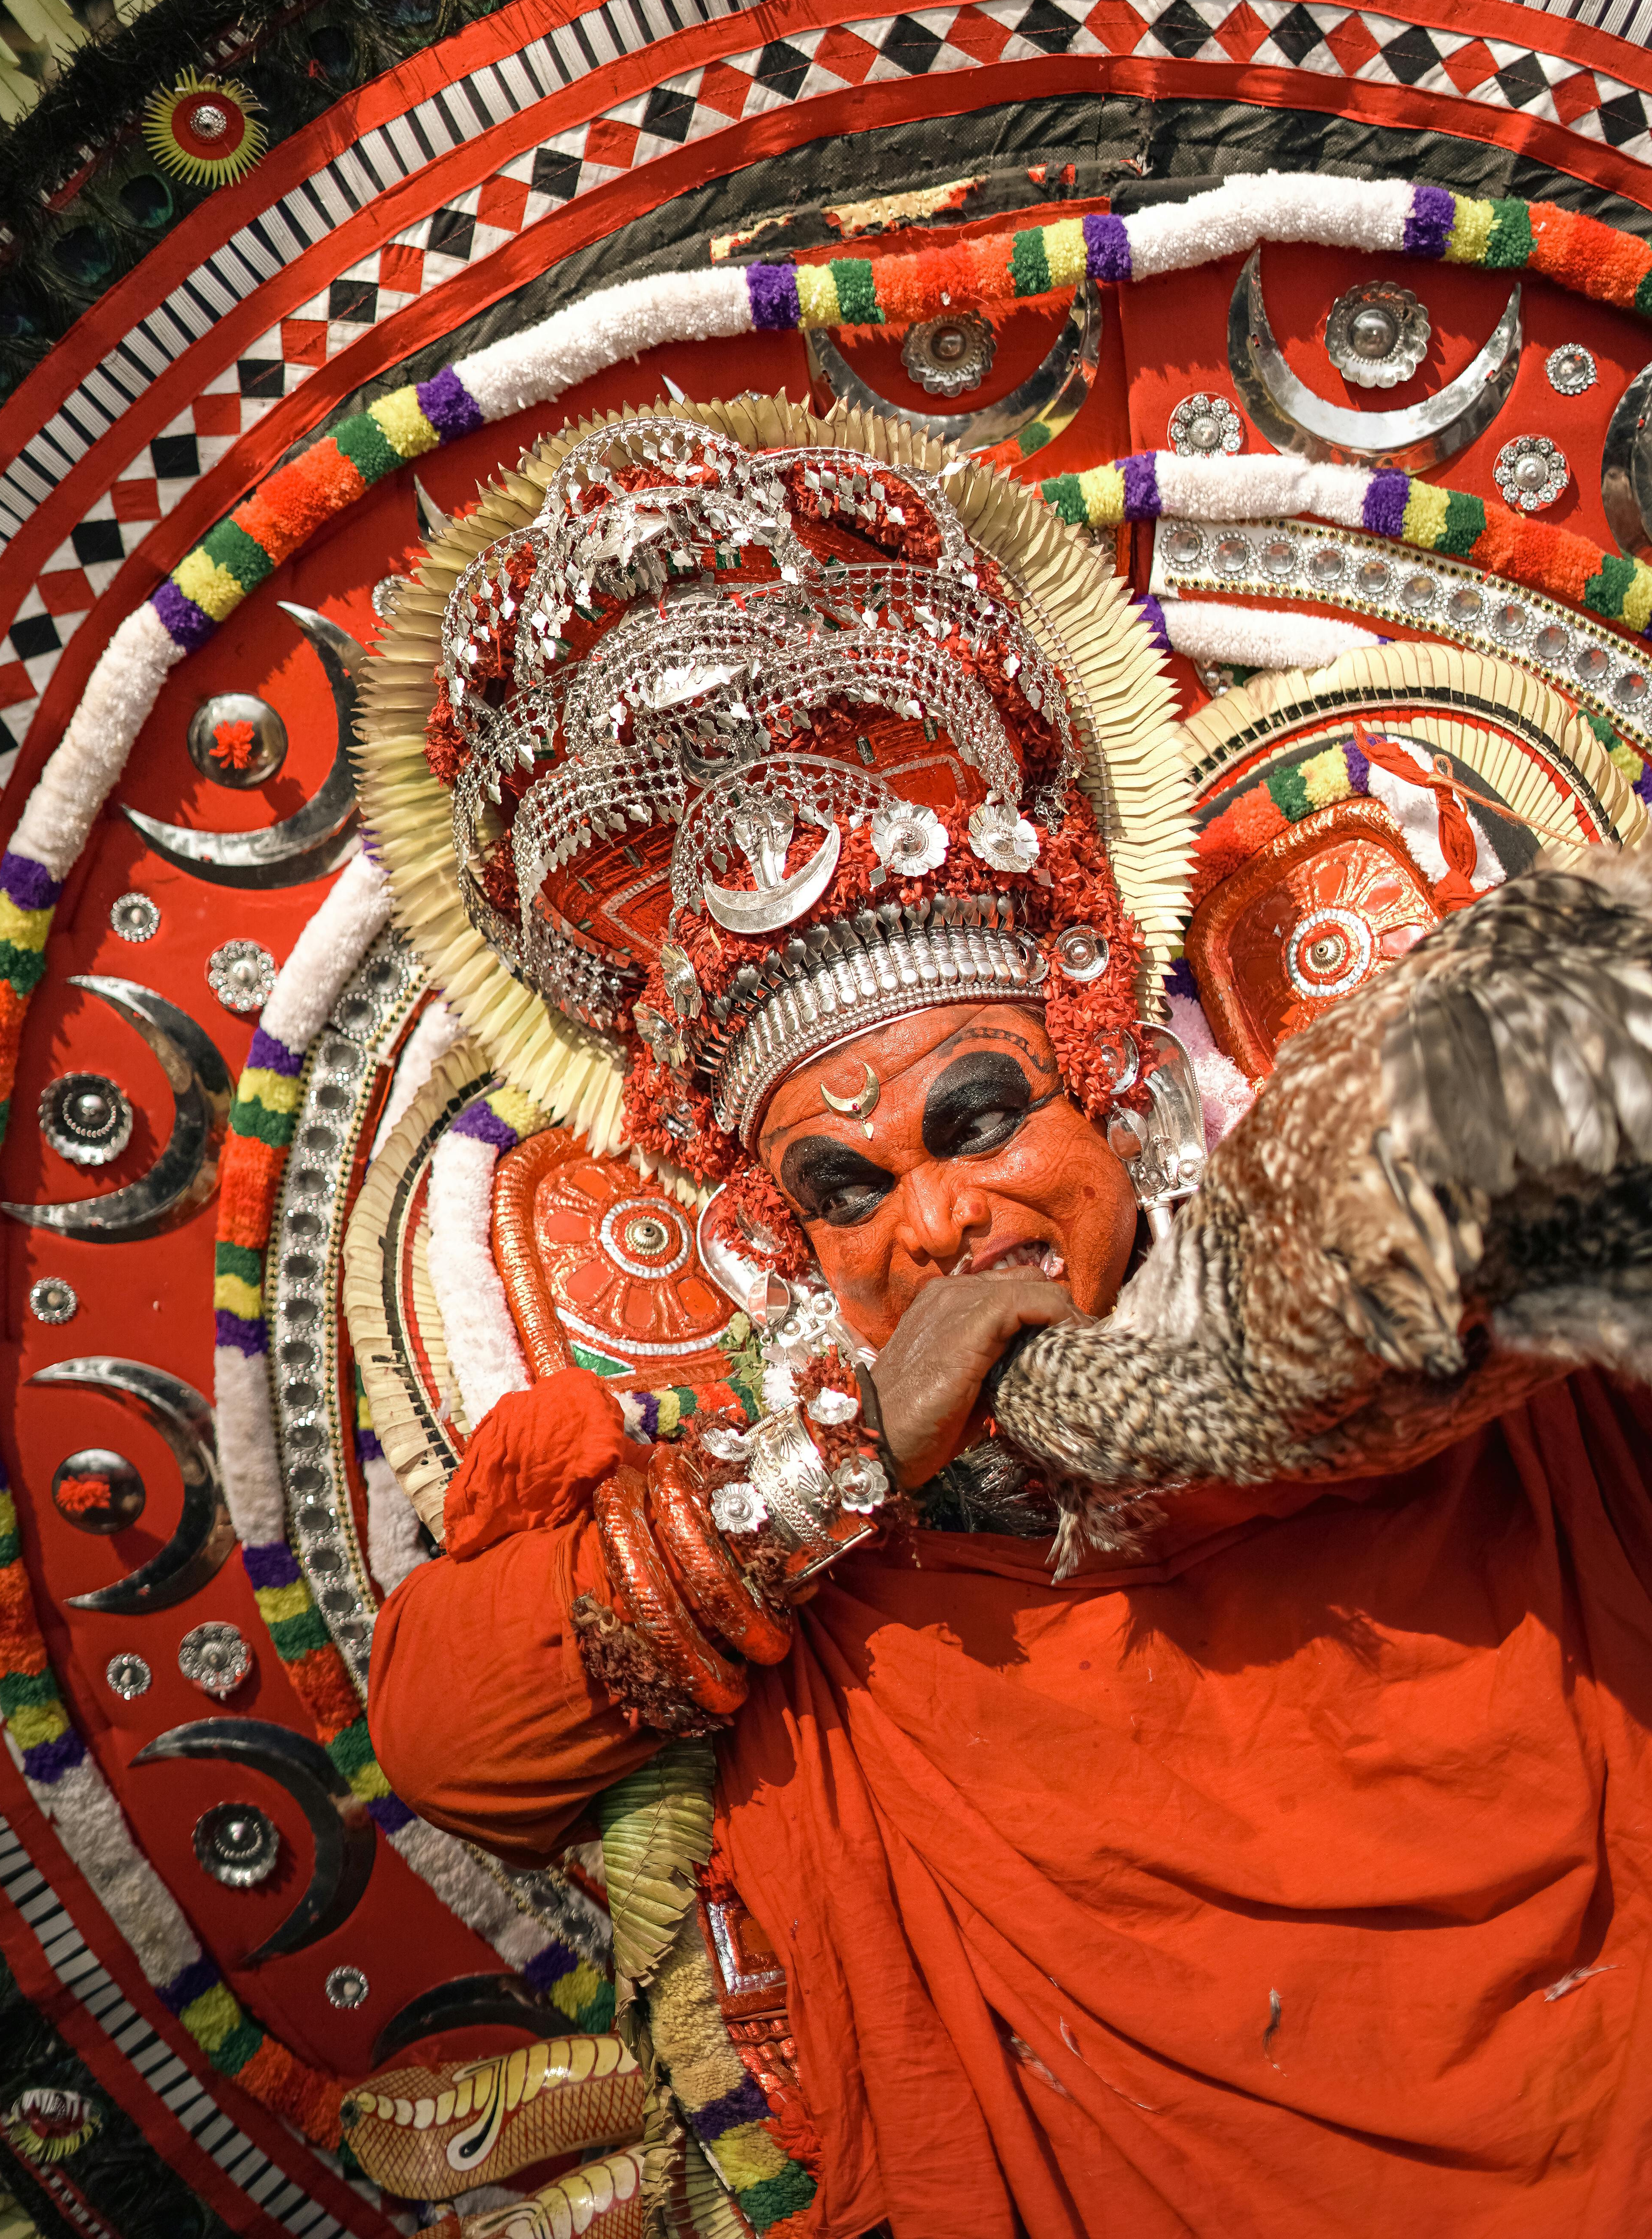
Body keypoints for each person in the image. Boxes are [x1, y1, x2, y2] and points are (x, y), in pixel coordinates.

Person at [363, 402, 1652, 2238]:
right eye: (847, 1191)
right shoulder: (816, 1562)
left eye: (977, 1120)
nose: (937, 1218)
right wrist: (848, 1459)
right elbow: (450, 1743)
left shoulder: (1472, 1329)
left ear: (1114, 1088)